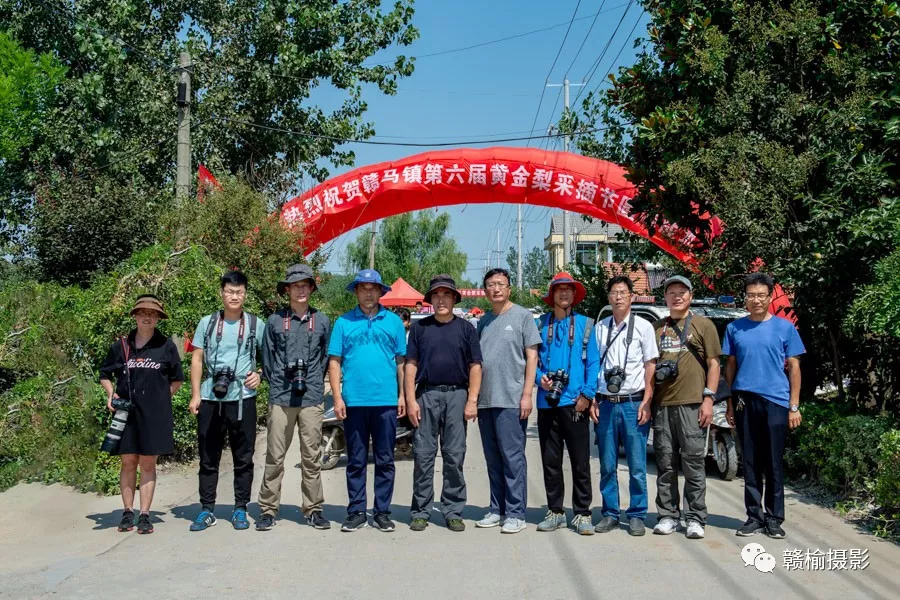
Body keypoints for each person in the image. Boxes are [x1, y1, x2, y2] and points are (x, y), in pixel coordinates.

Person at [724, 273, 805, 539]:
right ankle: (753, 516)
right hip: (745, 400)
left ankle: (773, 518)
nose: (756, 300)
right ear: (745, 298)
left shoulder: (784, 328)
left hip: (776, 402)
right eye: (751, 295)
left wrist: (794, 406)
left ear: (770, 297)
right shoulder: (735, 328)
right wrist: (729, 403)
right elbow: (731, 366)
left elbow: (794, 367)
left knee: (773, 463)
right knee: (750, 462)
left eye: (761, 295)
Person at [328, 269, 406, 532]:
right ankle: (357, 510)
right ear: (356, 291)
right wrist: (337, 397)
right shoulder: (343, 322)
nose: (369, 292)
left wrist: (403, 395)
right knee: (356, 460)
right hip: (354, 401)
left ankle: (382, 511)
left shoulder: (393, 321)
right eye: (363, 288)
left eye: (373, 287)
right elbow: (335, 361)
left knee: (385, 459)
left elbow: (401, 362)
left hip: (385, 400)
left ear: (381, 291)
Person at [99, 295, 184, 534]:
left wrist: (159, 398)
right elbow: (105, 374)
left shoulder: (166, 346)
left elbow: (177, 380)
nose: (147, 317)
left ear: (158, 318)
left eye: (153, 313)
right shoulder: (121, 346)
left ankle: (145, 514)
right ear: (135, 316)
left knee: (148, 463)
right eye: (143, 312)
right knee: (128, 461)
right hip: (127, 414)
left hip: (155, 416)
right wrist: (111, 394)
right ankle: (127, 512)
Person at [188, 270, 265, 532]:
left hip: (243, 398)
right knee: (208, 456)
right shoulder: (207, 323)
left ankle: (240, 508)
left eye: (239, 292)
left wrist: (260, 374)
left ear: (245, 294)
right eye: (230, 291)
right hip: (211, 397)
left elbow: (270, 358)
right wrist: (196, 394)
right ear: (221, 292)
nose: (234, 296)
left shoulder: (256, 325)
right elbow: (197, 359)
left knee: (244, 457)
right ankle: (207, 509)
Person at [256, 264, 331, 531]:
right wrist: (280, 378)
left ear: (311, 288)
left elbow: (324, 358)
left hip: (311, 397)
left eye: (305, 285)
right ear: (287, 290)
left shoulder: (322, 320)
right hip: (280, 395)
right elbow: (268, 359)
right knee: (275, 455)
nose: (300, 289)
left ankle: (313, 508)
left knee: (312, 457)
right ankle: (267, 509)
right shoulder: (275, 321)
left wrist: (312, 379)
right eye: (295, 285)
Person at [405, 275, 483, 532]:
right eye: (436, 295)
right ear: (430, 300)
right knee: (423, 455)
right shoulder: (419, 328)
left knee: (454, 456)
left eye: (446, 295)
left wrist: (472, 400)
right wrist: (410, 399)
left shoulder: (466, 329)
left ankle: (452, 509)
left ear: (453, 298)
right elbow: (411, 366)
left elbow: (475, 366)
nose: (441, 300)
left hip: (457, 396)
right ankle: (421, 510)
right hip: (426, 395)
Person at [651, 276, 721, 539]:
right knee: (665, 463)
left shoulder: (704, 325)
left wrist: (708, 399)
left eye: (682, 292)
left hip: (693, 405)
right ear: (665, 297)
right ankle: (667, 515)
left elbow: (714, 364)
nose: (677, 296)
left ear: (690, 296)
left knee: (693, 463)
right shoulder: (657, 328)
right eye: (671, 292)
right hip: (663, 405)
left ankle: (695, 517)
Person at [475, 268, 541, 534]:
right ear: (485, 291)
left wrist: (527, 394)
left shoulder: (523, 316)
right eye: (491, 285)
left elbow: (532, 357)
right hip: (486, 400)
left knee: (513, 458)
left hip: (512, 399)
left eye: (501, 284)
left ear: (509, 288)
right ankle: (496, 508)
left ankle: (516, 512)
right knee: (492, 459)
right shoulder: (483, 321)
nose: (496, 289)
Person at [591, 276, 659, 536]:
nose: (618, 296)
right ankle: (610, 512)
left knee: (637, 464)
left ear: (632, 296)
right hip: (606, 403)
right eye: (614, 292)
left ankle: (637, 514)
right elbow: (593, 366)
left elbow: (649, 365)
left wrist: (647, 401)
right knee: (607, 463)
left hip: (633, 402)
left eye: (623, 292)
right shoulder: (600, 329)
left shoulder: (643, 327)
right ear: (608, 297)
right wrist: (593, 399)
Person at [533, 272, 598, 535]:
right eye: (558, 290)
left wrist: (587, 394)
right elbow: (531, 361)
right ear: (552, 295)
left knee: (580, 461)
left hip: (576, 402)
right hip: (547, 402)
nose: (563, 294)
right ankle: (555, 510)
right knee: (550, 461)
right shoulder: (539, 325)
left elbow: (593, 363)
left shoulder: (586, 325)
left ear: (574, 295)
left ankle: (582, 513)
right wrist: (540, 379)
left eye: (568, 290)